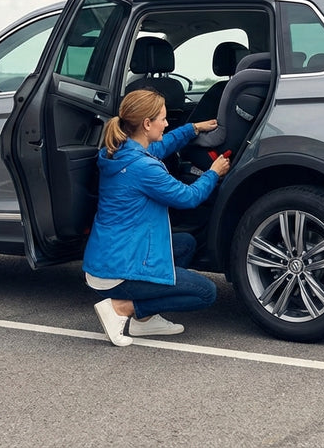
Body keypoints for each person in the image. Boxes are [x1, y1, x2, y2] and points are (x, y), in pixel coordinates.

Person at [83, 89, 232, 346]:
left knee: (185, 243)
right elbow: (188, 197)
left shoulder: (118, 150)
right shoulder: (143, 168)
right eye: (162, 119)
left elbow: (160, 146)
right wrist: (213, 172)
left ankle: (145, 320)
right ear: (146, 124)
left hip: (109, 258)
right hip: (117, 271)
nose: (166, 123)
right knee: (205, 293)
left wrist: (192, 128)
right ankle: (123, 308)